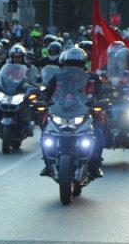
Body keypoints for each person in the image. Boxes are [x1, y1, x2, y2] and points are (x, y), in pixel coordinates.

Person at [40, 47, 104, 179]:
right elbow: (46, 93)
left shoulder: (92, 78)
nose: (73, 69)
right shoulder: (57, 78)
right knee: (45, 131)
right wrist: (42, 100)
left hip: (86, 112)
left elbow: (102, 94)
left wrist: (102, 101)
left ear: (83, 65)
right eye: (70, 65)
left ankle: (95, 164)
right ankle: (47, 162)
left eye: (77, 65)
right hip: (61, 112)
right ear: (64, 65)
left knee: (99, 132)